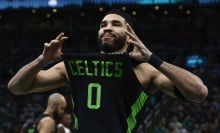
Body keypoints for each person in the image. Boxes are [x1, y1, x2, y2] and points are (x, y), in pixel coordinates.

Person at [8, 9, 208, 133]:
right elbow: (16, 87)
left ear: (129, 33)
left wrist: (152, 57)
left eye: (115, 24)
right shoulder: (75, 67)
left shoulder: (145, 70)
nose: (107, 28)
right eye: (103, 25)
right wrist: (41, 60)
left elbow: (198, 92)